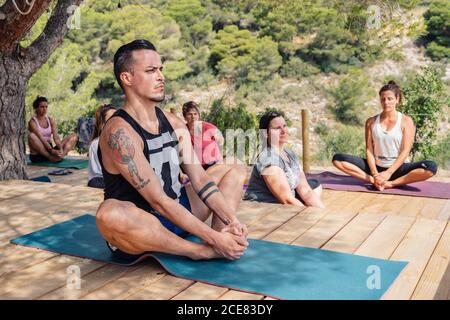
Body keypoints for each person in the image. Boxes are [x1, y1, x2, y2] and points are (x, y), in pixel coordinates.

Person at [96, 39, 248, 262]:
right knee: (108, 214)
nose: (161, 77)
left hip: (180, 211)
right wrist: (211, 240)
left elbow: (200, 179)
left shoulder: (174, 122)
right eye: (150, 71)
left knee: (233, 168)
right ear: (126, 78)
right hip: (146, 228)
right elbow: (157, 201)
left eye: (160, 69)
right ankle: (201, 250)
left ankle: (225, 238)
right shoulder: (119, 133)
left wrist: (230, 221)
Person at [332, 81, 438, 191]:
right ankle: (376, 182)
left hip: (398, 169)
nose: (386, 102)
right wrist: (375, 175)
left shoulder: (406, 121)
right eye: (383, 99)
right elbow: (369, 150)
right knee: (338, 159)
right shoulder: (371, 122)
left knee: (430, 167)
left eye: (390, 99)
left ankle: (391, 184)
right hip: (376, 168)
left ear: (397, 99)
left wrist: (388, 173)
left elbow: (406, 150)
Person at [244, 111, 325, 208]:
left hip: (283, 204)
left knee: (314, 185)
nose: (283, 130)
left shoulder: (289, 153)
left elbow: (305, 190)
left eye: (284, 126)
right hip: (265, 209)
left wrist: (322, 211)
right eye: (277, 128)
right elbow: (287, 200)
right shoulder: (269, 159)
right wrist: (310, 215)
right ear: (266, 134)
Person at [28, 96, 78, 163]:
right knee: (31, 135)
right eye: (42, 107)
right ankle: (51, 158)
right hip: (39, 154)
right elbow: (41, 137)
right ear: (36, 108)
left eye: (46, 107)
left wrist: (60, 149)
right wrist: (51, 151)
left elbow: (56, 137)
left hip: (50, 150)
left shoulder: (50, 120)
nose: (44, 109)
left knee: (74, 136)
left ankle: (61, 156)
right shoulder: (32, 122)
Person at [87, 104, 117, 189]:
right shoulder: (97, 143)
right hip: (99, 179)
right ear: (102, 124)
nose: (116, 120)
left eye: (117, 117)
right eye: (111, 118)